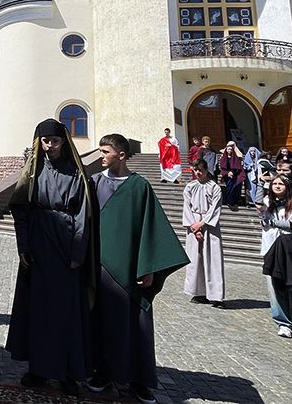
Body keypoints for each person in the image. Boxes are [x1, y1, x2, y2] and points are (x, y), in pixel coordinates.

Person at [85, 134, 187, 404]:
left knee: (136, 326)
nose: (101, 156)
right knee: (102, 323)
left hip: (132, 270)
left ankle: (139, 380)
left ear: (121, 154)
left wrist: (149, 267)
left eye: (105, 151)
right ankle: (102, 373)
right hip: (101, 268)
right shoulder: (94, 183)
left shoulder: (140, 186)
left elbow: (151, 229)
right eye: (100, 151)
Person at [6, 119, 96, 397]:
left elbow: (83, 216)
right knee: (38, 310)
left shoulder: (77, 174)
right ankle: (38, 369)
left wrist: (78, 254)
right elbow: (19, 209)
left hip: (65, 247)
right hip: (38, 247)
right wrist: (24, 246)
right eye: (45, 141)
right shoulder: (32, 172)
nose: (50, 146)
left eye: (54, 141)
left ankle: (68, 372)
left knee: (66, 312)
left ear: (64, 142)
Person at [258, 174, 292, 341]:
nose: (278, 186)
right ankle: (283, 322)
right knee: (275, 288)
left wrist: (273, 222)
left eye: (281, 183)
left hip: (291, 249)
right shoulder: (267, 203)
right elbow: (263, 221)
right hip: (271, 249)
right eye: (275, 184)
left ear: (287, 187)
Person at [182, 159, 225, 307]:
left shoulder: (214, 187)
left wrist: (202, 224)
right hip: (193, 224)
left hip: (209, 226)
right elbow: (187, 207)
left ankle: (215, 295)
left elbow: (215, 208)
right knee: (195, 259)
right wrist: (194, 228)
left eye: (201, 170)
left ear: (207, 170)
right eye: (196, 170)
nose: (198, 173)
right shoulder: (190, 187)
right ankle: (198, 292)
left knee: (213, 259)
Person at [218, 141, 245, 210]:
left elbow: (238, 166)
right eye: (228, 149)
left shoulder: (235, 157)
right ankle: (229, 201)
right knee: (229, 188)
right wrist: (227, 173)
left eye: (231, 149)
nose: (229, 150)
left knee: (236, 188)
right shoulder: (223, 157)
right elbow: (222, 167)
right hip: (227, 176)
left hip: (235, 175)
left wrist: (233, 172)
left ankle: (235, 201)